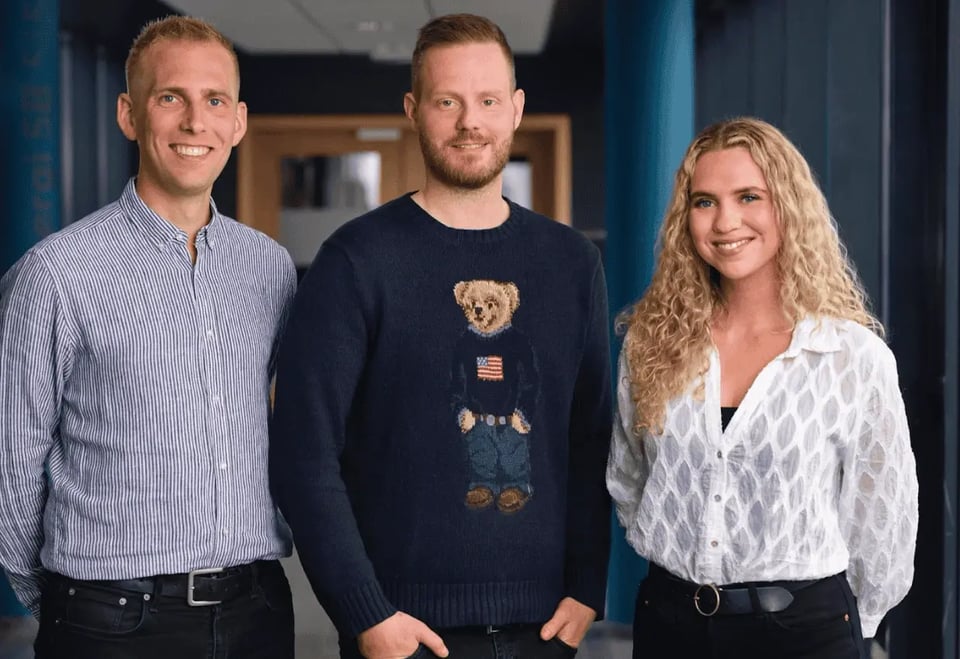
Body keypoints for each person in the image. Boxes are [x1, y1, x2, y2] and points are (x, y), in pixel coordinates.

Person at [269, 13, 612, 659]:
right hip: (402, 634)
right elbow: (304, 455)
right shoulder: (356, 262)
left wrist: (588, 586)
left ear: (514, 109)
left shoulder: (570, 263)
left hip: (547, 629)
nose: (469, 121)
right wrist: (365, 614)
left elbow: (591, 437)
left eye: (486, 100)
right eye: (447, 101)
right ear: (414, 109)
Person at [0, 15, 298, 659]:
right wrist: (61, 599)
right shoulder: (56, 273)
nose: (196, 122)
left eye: (214, 100)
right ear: (129, 115)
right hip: (110, 621)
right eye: (171, 98)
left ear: (238, 121)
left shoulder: (269, 268)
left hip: (258, 612)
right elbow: (11, 457)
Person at [606, 117, 918, 659]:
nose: (726, 221)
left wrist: (852, 627)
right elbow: (630, 481)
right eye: (704, 202)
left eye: (749, 196)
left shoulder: (852, 358)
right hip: (671, 625)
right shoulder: (649, 344)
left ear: (788, 208)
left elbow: (883, 523)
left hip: (806, 635)